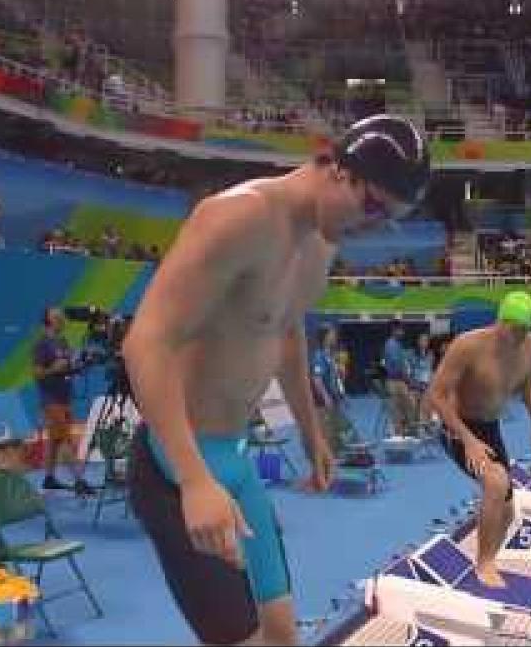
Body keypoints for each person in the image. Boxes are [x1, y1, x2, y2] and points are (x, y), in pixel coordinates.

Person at [121, 114, 430, 646]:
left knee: (282, 633)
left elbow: (287, 333)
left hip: (235, 460)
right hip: (178, 466)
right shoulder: (237, 217)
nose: (372, 227)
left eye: (387, 220)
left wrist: (312, 433)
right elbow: (145, 342)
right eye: (373, 206)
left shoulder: (319, 242)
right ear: (337, 168)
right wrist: (195, 481)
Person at [425, 292, 531, 588]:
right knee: (495, 482)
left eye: (526, 331)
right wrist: (467, 440)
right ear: (500, 321)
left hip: (490, 428)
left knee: (507, 511)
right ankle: (483, 565)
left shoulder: (528, 344)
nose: (520, 337)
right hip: (456, 426)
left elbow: (529, 384)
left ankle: (489, 555)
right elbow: (437, 396)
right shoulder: (467, 346)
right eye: (516, 330)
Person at [33, 307, 93, 495]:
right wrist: (53, 369)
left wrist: (80, 365)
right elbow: (37, 373)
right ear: (49, 321)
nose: (63, 320)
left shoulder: (63, 341)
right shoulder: (42, 344)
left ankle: (49, 477)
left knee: (55, 440)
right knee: (65, 438)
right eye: (58, 317)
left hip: (65, 396)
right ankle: (79, 480)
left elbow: (68, 366)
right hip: (51, 399)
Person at [311, 324, 353, 455]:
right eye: (332, 334)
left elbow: (337, 380)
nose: (334, 337)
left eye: (334, 334)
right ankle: (324, 459)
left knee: (340, 429)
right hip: (323, 402)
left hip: (335, 399)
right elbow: (316, 379)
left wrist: (342, 395)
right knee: (326, 431)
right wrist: (325, 396)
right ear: (325, 337)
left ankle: (334, 456)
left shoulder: (331, 356)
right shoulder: (319, 356)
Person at [382, 320, 415, 436]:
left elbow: (402, 364)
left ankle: (404, 432)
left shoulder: (398, 345)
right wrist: (408, 380)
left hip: (400, 381)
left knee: (407, 407)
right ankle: (398, 435)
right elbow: (397, 366)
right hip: (395, 382)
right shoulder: (391, 344)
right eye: (400, 330)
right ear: (394, 330)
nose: (402, 332)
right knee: (397, 410)